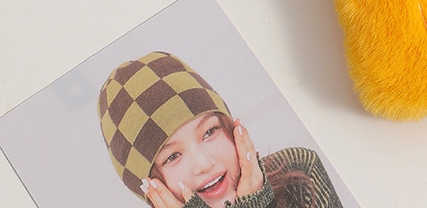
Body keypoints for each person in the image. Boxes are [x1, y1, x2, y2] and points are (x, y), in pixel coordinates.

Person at [98, 52, 341, 208]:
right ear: (151, 186)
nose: (203, 164)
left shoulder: (299, 172)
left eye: (210, 132)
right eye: (172, 156)